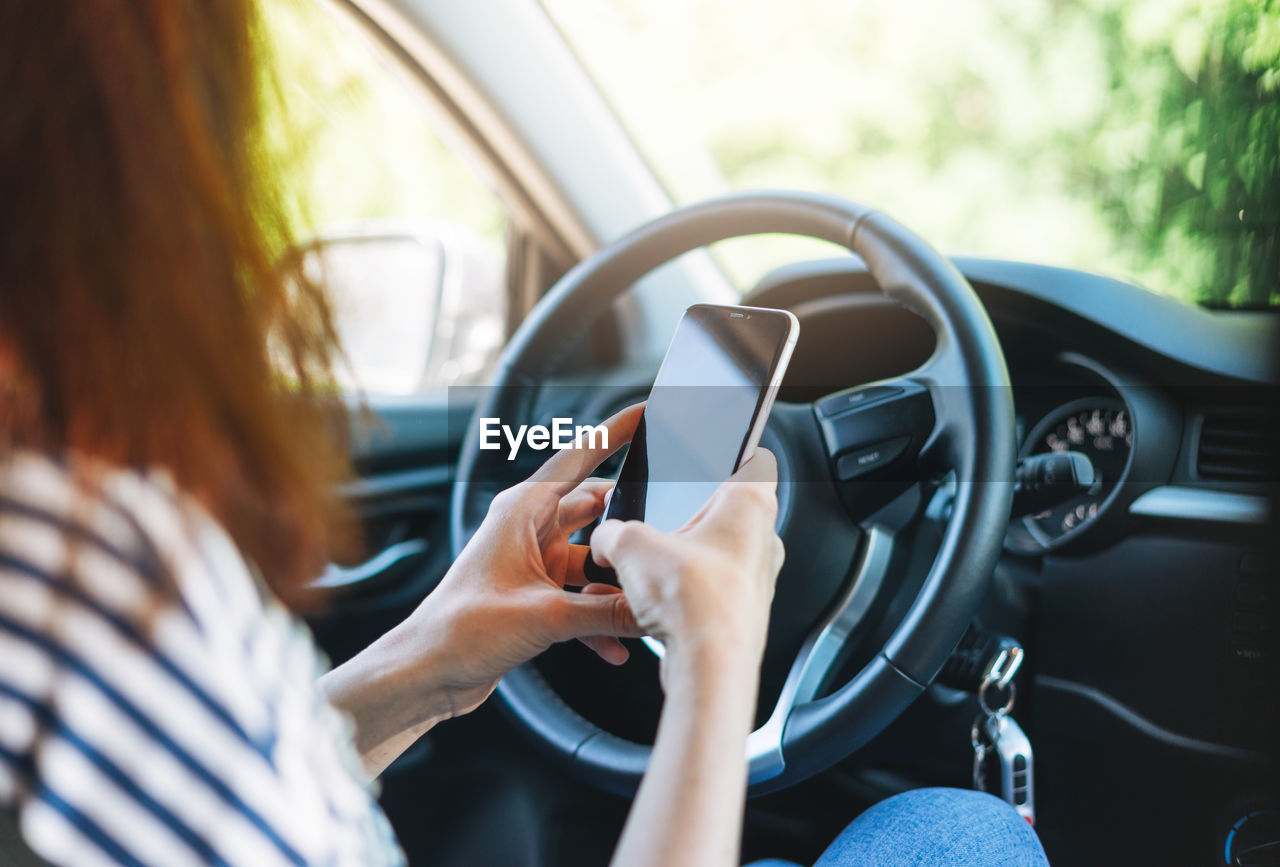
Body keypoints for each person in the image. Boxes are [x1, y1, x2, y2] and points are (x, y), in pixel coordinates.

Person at [0, 1, 1049, 865]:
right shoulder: (79, 562)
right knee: (957, 833)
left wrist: (432, 661)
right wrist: (717, 651)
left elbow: (204, 789)